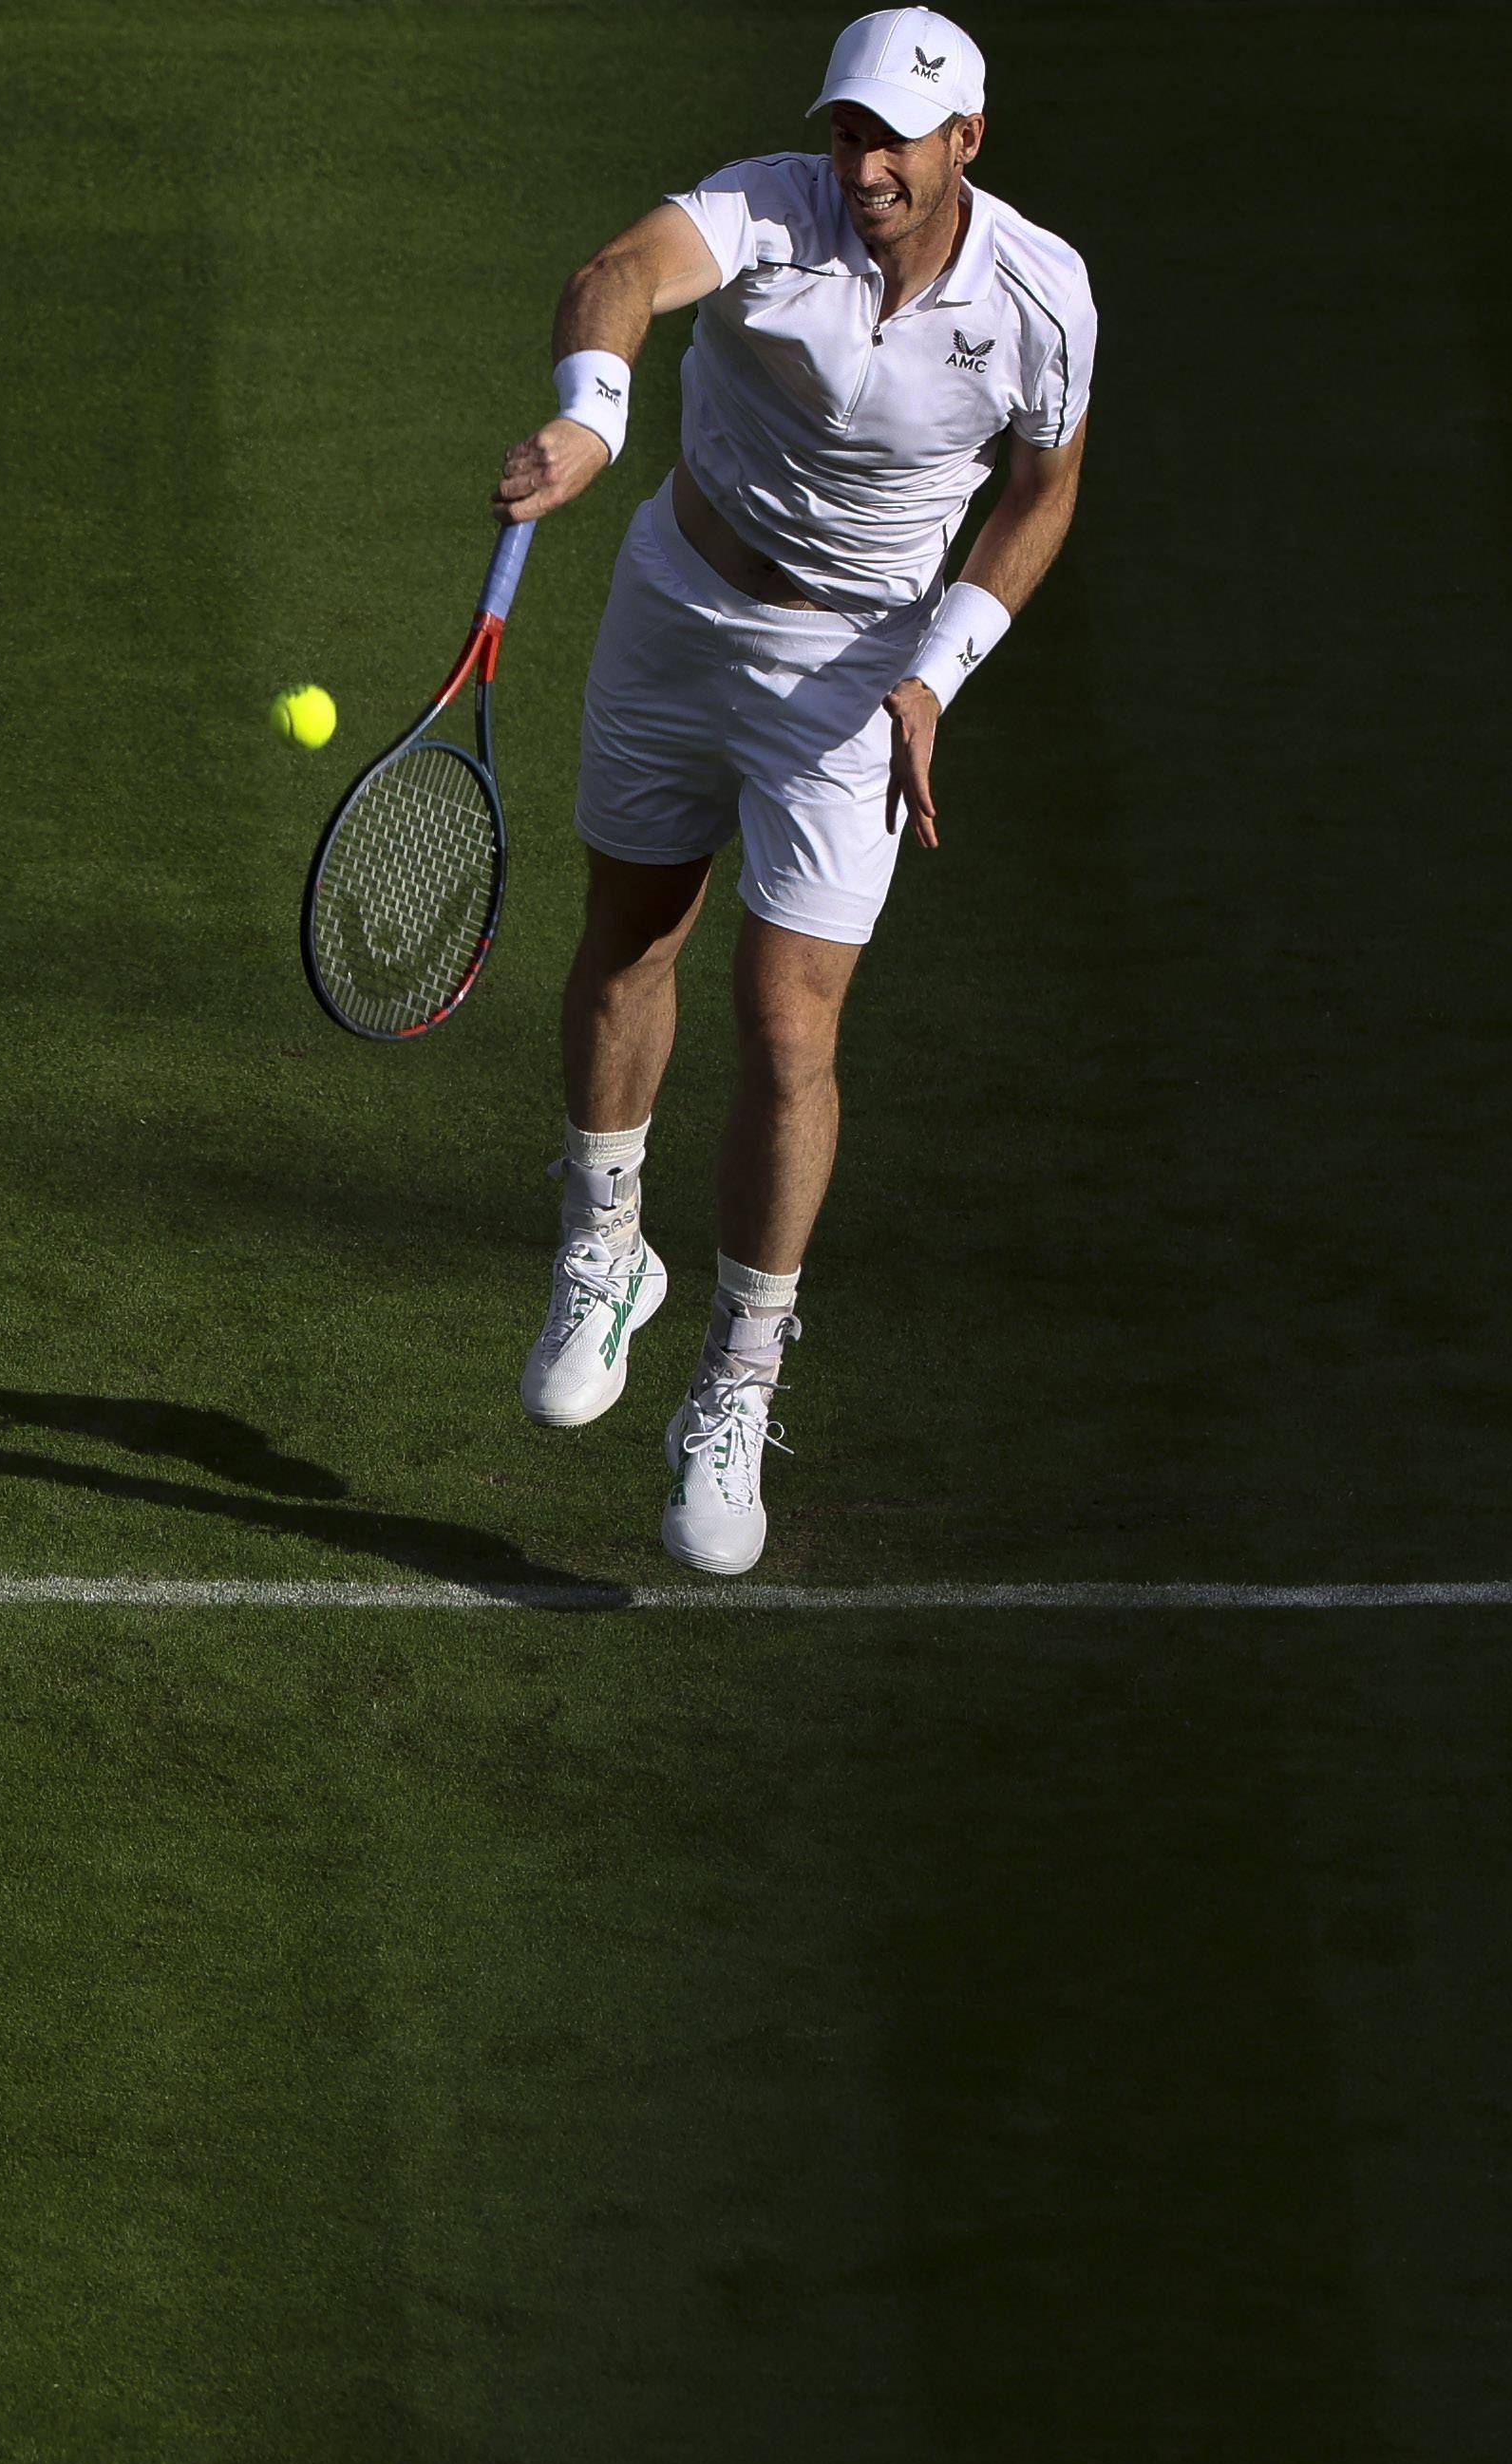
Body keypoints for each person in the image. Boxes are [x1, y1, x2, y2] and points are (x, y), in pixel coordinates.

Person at [489, 6, 1094, 1574]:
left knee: (787, 1024)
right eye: (847, 129)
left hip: (856, 676)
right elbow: (616, 275)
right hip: (677, 611)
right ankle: (602, 1249)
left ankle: (739, 1379)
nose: (863, 162)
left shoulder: (1042, 296)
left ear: (966, 140)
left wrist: (935, 672)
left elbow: (1042, 491)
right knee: (626, 938)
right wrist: (591, 411)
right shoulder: (771, 205)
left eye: (894, 135)